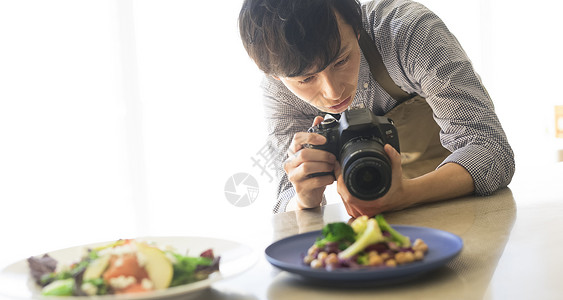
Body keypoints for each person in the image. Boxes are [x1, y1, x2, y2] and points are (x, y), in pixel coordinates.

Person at [238, 0, 515, 217]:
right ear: (274, 75)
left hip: (466, 210)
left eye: (341, 60)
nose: (333, 92)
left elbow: (491, 149)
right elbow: (283, 200)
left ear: (356, 28)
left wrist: (406, 194)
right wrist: (302, 198)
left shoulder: (408, 32)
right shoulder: (279, 89)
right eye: (306, 79)